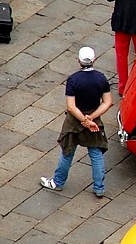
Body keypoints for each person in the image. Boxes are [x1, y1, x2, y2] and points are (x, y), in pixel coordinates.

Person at [40, 47, 113, 197]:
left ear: (78, 61)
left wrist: (83, 120)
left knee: (67, 152)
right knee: (96, 153)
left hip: (74, 122)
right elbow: (107, 102)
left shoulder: (73, 79)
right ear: (94, 60)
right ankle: (99, 188)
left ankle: (57, 182)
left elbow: (71, 107)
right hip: (94, 119)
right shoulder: (101, 78)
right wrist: (91, 119)